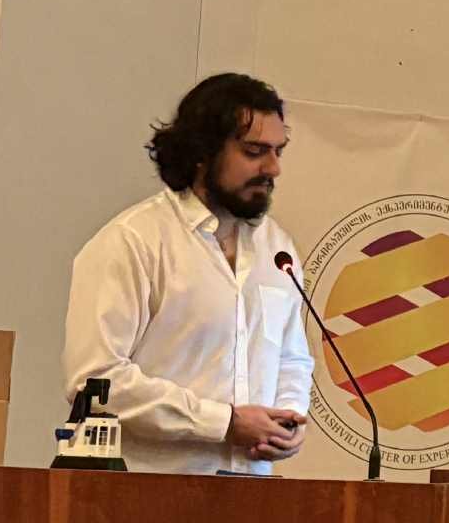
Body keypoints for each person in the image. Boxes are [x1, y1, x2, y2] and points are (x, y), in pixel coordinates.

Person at [63, 73, 314, 473]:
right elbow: (95, 382)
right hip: (144, 491)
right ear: (202, 152)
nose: (274, 168)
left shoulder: (277, 248)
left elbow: (292, 358)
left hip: (253, 492)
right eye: (254, 151)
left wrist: (288, 418)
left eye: (278, 151)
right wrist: (223, 423)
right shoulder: (133, 241)